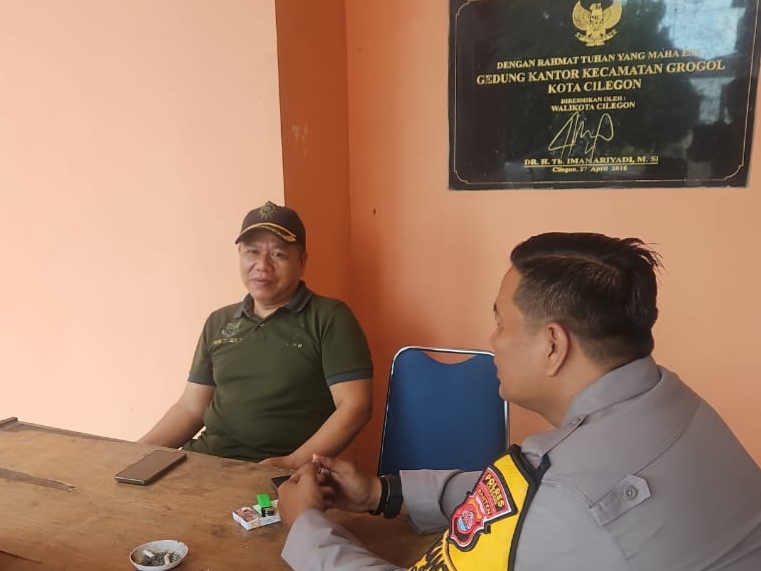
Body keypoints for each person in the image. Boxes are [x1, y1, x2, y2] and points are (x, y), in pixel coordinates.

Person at [276, 232, 761, 570]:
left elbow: (549, 506)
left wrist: (307, 526)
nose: (493, 341)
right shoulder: (674, 402)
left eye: (501, 323)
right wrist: (385, 493)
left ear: (552, 345)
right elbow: (520, 501)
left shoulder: (573, 503)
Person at [139, 201, 373, 469]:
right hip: (206, 461)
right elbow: (191, 408)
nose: (262, 265)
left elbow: (355, 406)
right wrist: (135, 451)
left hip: (280, 470)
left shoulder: (329, 317)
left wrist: (291, 462)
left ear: (302, 261)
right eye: (252, 252)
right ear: (240, 255)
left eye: (278, 254)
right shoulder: (219, 321)